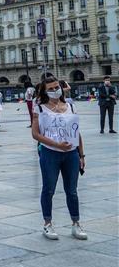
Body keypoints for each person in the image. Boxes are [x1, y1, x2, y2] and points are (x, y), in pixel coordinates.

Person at [31, 76, 87, 241]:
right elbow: (35, 134)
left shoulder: (70, 106)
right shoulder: (39, 109)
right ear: (44, 91)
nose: (55, 90)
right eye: (51, 89)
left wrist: (81, 154)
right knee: (48, 189)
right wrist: (56, 144)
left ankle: (76, 223)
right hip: (50, 153)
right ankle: (47, 224)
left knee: (72, 190)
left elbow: (77, 131)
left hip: (71, 153)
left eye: (57, 87)